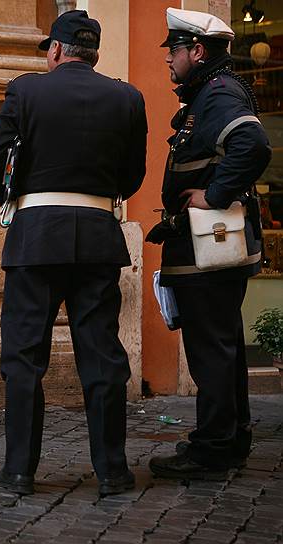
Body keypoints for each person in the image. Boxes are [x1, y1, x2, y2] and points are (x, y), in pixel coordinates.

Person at [0, 10, 147, 496]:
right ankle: (113, 470)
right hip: (96, 237)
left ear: (55, 50)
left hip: (35, 236)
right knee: (103, 356)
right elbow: (132, 176)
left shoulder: (27, 90)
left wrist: (18, 197)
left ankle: (19, 472)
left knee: (24, 359)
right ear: (93, 53)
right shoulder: (127, 97)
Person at [146, 8, 270, 480]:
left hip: (209, 246)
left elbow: (253, 147)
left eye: (174, 51)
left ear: (197, 51)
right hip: (205, 246)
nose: (168, 61)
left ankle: (213, 449)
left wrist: (214, 195)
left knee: (210, 348)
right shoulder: (210, 92)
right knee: (223, 345)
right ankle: (229, 438)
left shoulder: (218, 94)